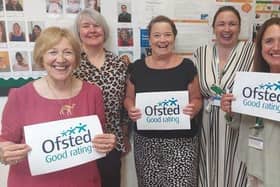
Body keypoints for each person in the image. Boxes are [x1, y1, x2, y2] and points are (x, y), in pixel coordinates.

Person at [0, 27, 116, 187]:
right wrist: (3, 152)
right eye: (52, 52)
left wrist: (106, 143)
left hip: (83, 181)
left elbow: (98, 137)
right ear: (41, 57)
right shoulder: (20, 96)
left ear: (76, 58)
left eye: (68, 52)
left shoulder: (93, 92)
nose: (60, 59)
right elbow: (6, 140)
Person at [124, 15, 202, 187]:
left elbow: (196, 98)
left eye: (167, 34)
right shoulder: (137, 67)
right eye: (157, 35)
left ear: (174, 37)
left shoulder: (187, 66)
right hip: (146, 143)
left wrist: (194, 108)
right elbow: (129, 98)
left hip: (182, 142)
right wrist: (131, 109)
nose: (162, 40)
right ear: (149, 38)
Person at [192, 6, 255, 187]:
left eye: (232, 24)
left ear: (239, 27)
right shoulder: (201, 53)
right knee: (208, 172)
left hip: (239, 124)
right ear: (214, 28)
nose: (226, 29)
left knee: (236, 171)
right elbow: (194, 91)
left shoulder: (252, 52)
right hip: (206, 126)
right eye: (221, 24)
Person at [73, 8, 130, 187]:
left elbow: (125, 102)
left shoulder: (119, 63)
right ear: (78, 32)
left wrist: (125, 135)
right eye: (86, 26)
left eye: (97, 26)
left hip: (111, 141)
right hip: (78, 142)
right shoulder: (71, 63)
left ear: (104, 31)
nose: (92, 30)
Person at [221, 17, 280, 187]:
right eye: (269, 41)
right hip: (254, 169)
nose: (276, 47)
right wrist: (232, 112)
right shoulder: (251, 83)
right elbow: (241, 125)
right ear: (260, 47)